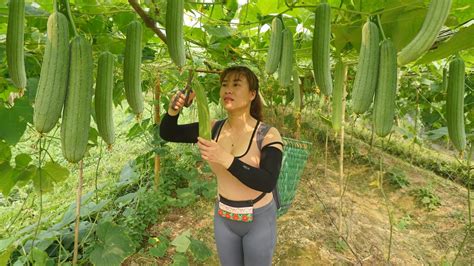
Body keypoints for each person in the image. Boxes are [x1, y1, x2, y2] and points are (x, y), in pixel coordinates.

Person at [160, 66, 283, 266]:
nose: (228, 89)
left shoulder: (267, 134)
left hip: (259, 220)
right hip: (224, 217)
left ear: (252, 94)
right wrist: (173, 111)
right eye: (224, 85)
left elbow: (267, 181)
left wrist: (225, 158)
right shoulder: (213, 128)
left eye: (236, 85)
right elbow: (168, 133)